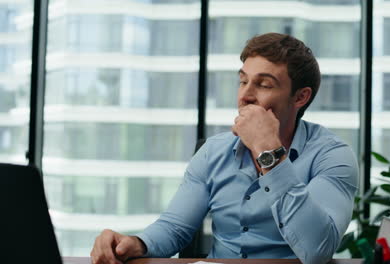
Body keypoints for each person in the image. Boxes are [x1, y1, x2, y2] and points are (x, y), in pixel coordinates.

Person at [91, 33, 358, 264]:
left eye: (264, 84)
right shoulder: (213, 151)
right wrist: (136, 243)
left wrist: (268, 151)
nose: (245, 96)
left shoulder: (332, 156)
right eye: (243, 81)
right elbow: (175, 228)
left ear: (300, 97)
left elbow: (318, 251)